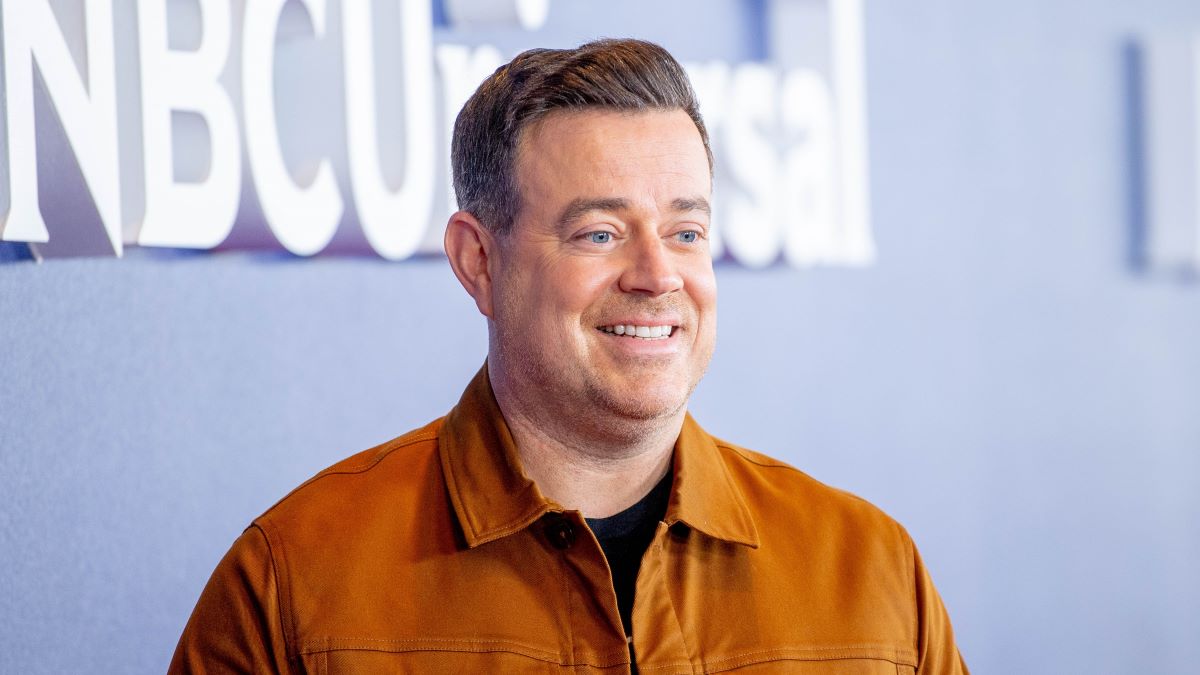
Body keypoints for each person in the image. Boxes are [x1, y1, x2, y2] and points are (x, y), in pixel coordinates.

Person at [170, 38, 968, 674]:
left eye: (686, 232)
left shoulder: (871, 573)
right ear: (478, 261)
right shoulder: (295, 584)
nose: (658, 276)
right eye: (600, 233)